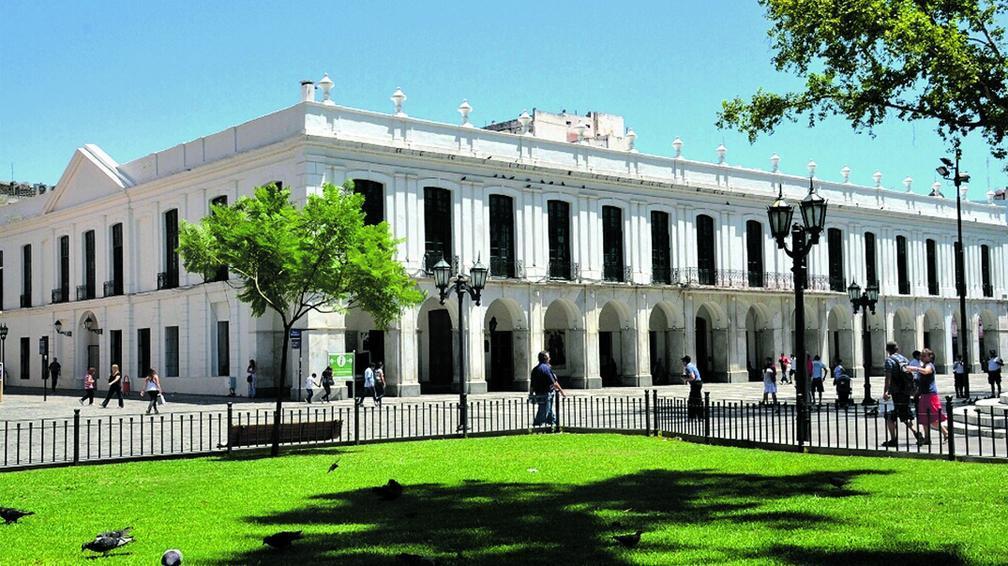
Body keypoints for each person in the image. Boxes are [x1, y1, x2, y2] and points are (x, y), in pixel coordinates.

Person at [882, 341, 921, 447]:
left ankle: (895, 438)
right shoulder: (904, 359)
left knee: (892, 415)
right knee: (904, 413)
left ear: (887, 350)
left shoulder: (889, 361)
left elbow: (888, 378)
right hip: (906, 391)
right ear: (897, 349)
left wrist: (886, 391)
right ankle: (915, 433)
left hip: (896, 392)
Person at [912, 348, 947, 445]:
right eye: (921, 356)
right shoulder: (922, 366)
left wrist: (915, 368)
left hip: (930, 394)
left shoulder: (929, 366)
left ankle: (945, 433)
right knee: (924, 418)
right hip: (923, 394)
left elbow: (926, 371)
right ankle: (927, 438)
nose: (922, 357)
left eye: (924, 355)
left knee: (933, 418)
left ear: (930, 357)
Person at [530, 351, 564, 426]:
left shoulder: (535, 369)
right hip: (546, 393)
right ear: (546, 359)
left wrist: (531, 395)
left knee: (548, 409)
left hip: (538, 393)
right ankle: (537, 424)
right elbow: (554, 382)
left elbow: (532, 385)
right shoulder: (546, 369)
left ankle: (553, 423)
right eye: (548, 357)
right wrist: (562, 392)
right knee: (544, 410)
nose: (549, 359)